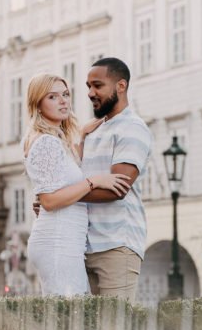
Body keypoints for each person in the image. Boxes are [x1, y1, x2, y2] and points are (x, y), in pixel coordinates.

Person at [23, 74, 131, 296]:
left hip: (65, 241)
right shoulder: (46, 142)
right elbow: (49, 200)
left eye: (65, 94)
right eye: (52, 96)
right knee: (69, 320)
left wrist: (81, 135)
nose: (63, 101)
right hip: (58, 242)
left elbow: (66, 172)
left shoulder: (54, 139)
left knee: (70, 318)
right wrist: (94, 181)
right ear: (38, 105)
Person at [79, 58, 152, 301]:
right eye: (88, 86)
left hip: (116, 245)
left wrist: (60, 198)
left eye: (97, 85)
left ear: (121, 86)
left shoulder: (132, 128)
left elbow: (117, 188)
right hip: (84, 244)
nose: (90, 93)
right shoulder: (94, 130)